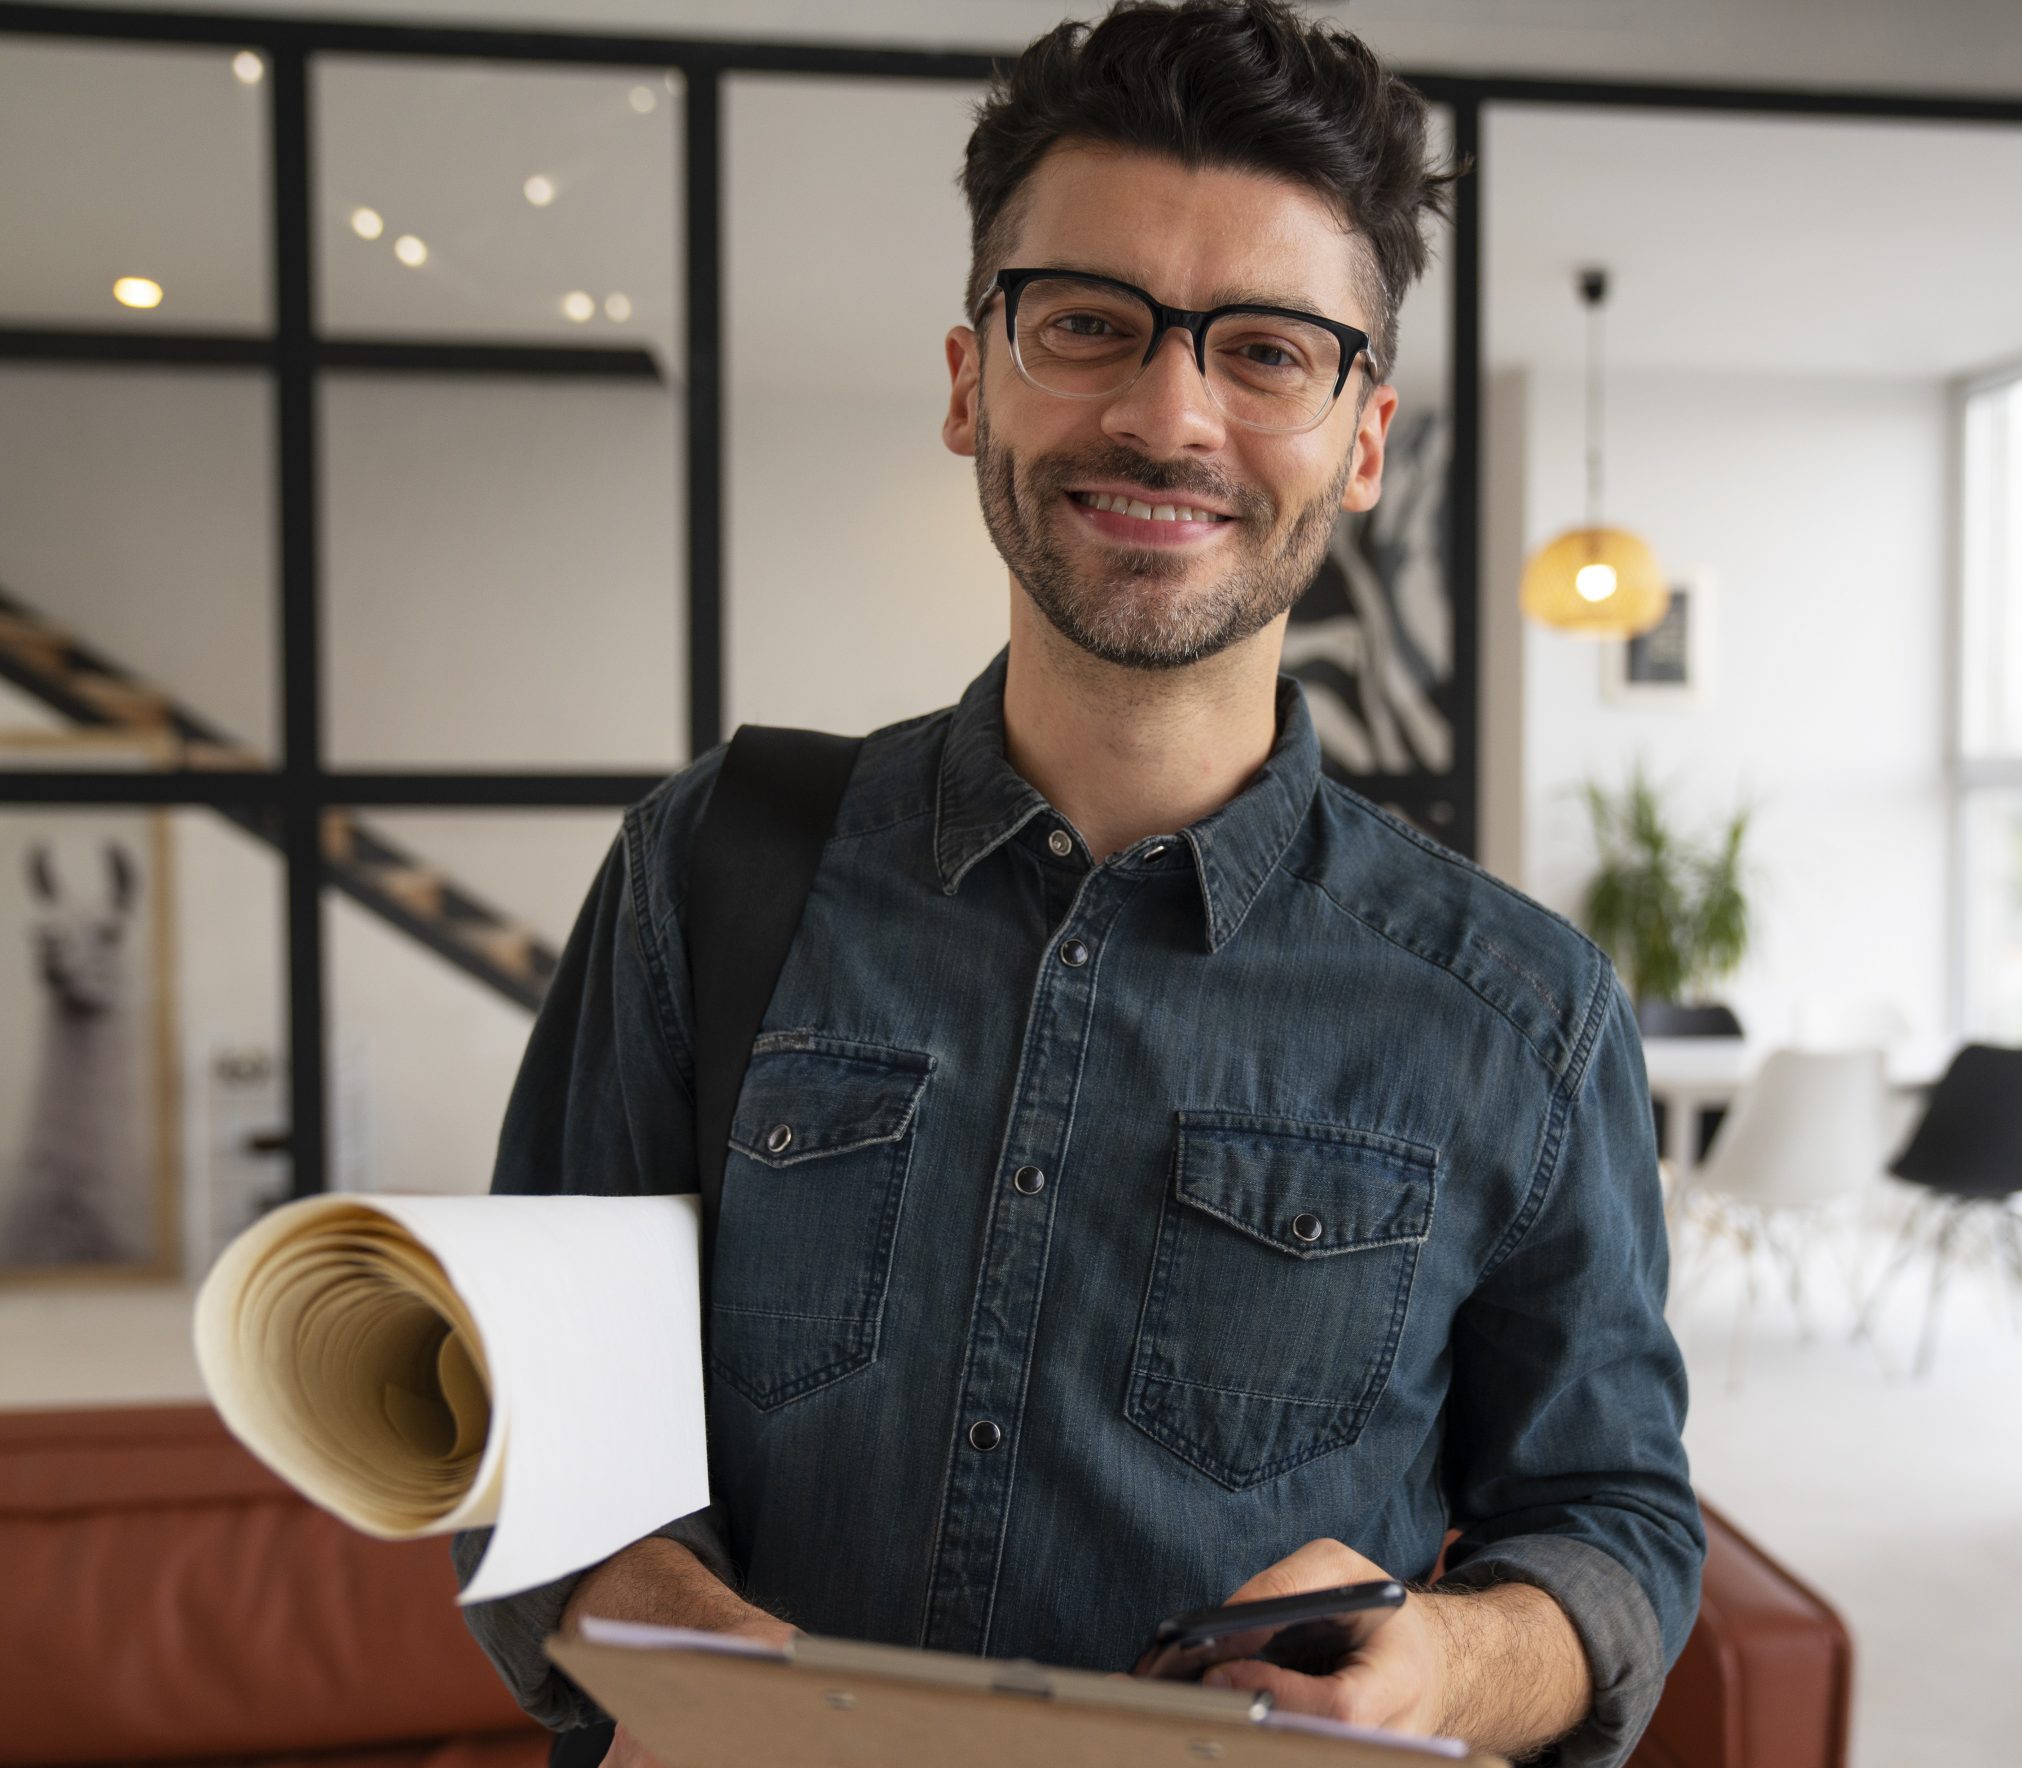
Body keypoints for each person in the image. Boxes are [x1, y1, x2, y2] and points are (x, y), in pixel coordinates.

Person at [451, 3, 1704, 1763]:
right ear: (974, 378)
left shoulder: (1523, 1011)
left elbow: (1616, 1520)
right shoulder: (711, 863)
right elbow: (525, 1421)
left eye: (1266, 350)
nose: (1168, 414)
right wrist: (732, 1689)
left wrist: (1453, 1663)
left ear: (1362, 434)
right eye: (1091, 324)